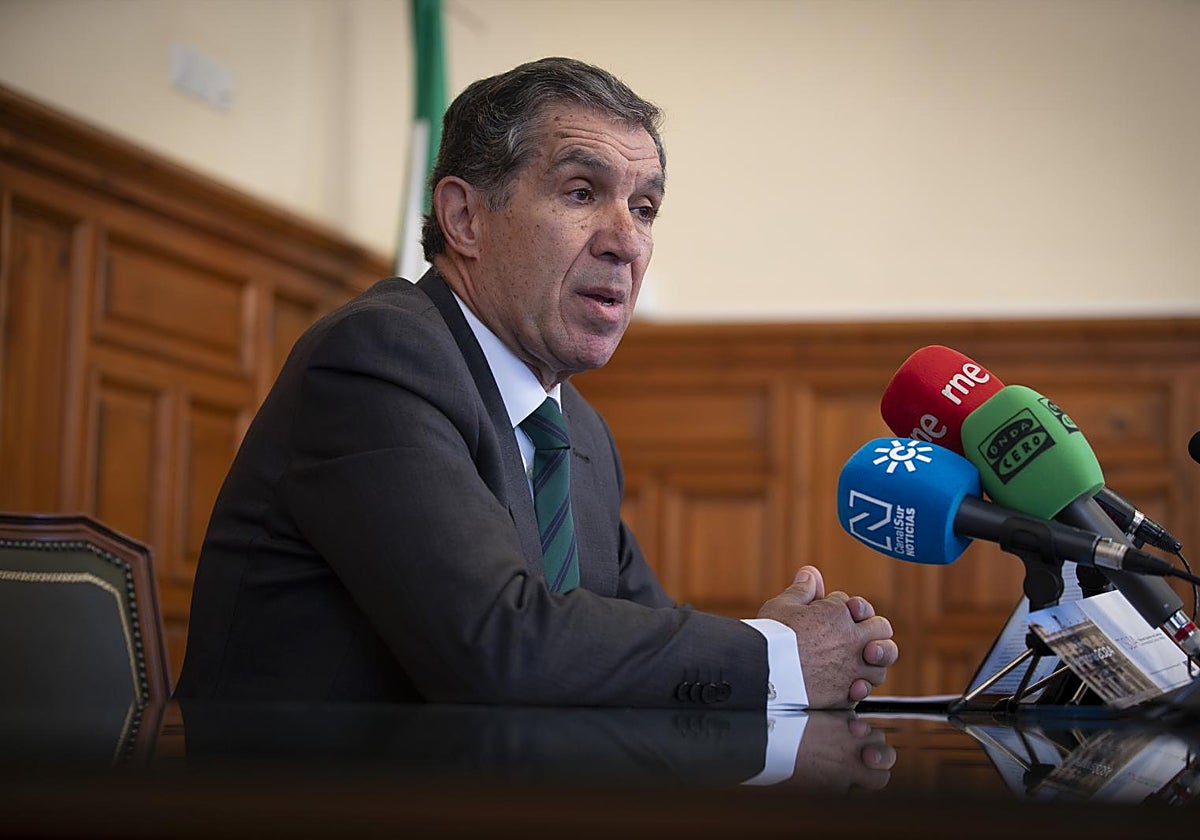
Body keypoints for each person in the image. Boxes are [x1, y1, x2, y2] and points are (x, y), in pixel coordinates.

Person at [175, 56, 898, 711]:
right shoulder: (378, 358)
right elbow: (495, 646)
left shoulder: (576, 431)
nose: (625, 241)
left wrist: (772, 648)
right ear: (464, 217)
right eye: (582, 193)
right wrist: (771, 655)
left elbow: (622, 645)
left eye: (644, 208)